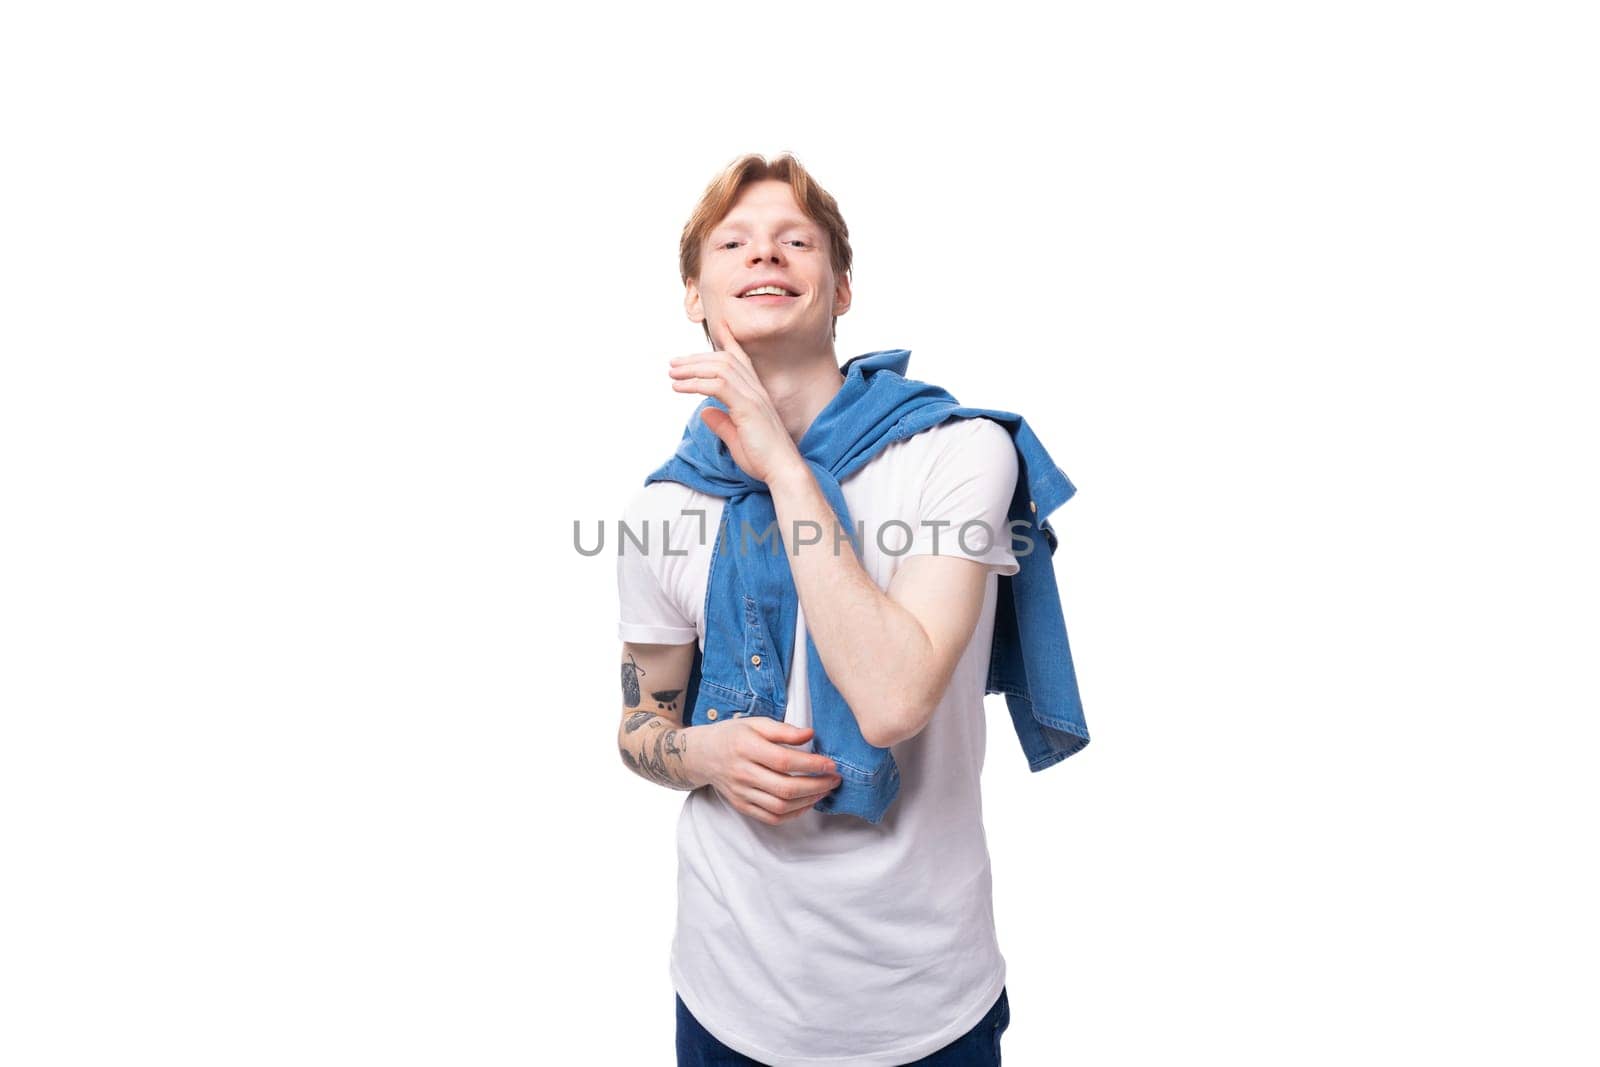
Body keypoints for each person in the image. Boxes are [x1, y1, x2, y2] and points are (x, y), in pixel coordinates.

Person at [615, 152, 1079, 1065]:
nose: (766, 255)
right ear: (694, 294)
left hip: (921, 1001)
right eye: (735, 241)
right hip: (727, 991)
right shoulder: (659, 512)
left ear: (842, 289)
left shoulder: (958, 452)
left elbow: (891, 698)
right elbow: (640, 718)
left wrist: (784, 469)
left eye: (797, 240)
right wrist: (701, 751)